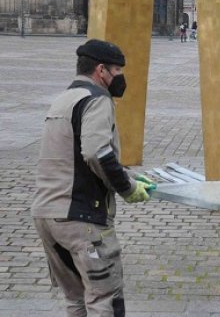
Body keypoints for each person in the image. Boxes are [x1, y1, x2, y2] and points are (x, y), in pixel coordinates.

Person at [32, 39, 153, 316]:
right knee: (104, 300)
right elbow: (97, 153)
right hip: (82, 218)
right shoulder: (97, 99)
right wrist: (127, 187)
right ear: (101, 70)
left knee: (75, 299)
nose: (120, 78)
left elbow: (74, 155)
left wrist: (127, 173)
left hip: (47, 216)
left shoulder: (64, 99)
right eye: (117, 71)